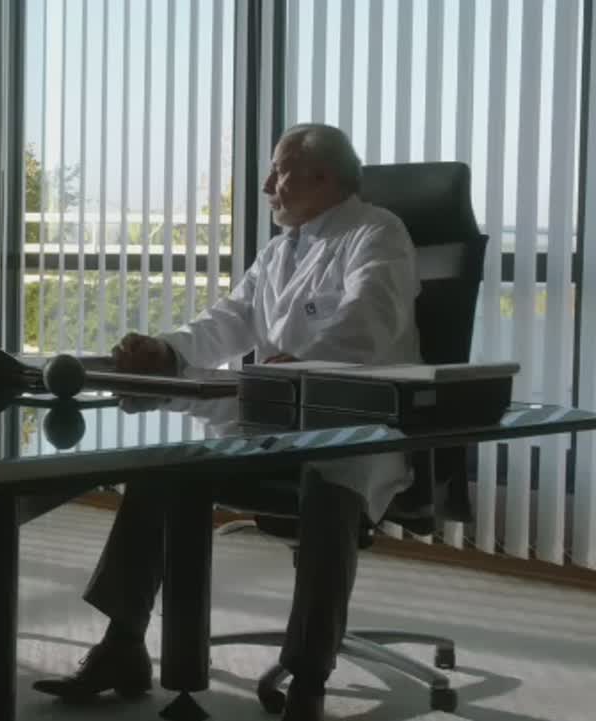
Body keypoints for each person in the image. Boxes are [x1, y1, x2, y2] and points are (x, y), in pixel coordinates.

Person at [32, 123, 421, 721]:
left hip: (354, 423)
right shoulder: (281, 249)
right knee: (165, 466)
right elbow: (229, 320)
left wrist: (305, 363)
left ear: (322, 176)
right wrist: (168, 349)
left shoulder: (376, 233)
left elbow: (370, 320)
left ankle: (309, 679)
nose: (266, 185)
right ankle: (123, 643)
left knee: (330, 483)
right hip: (272, 419)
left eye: (279, 171)